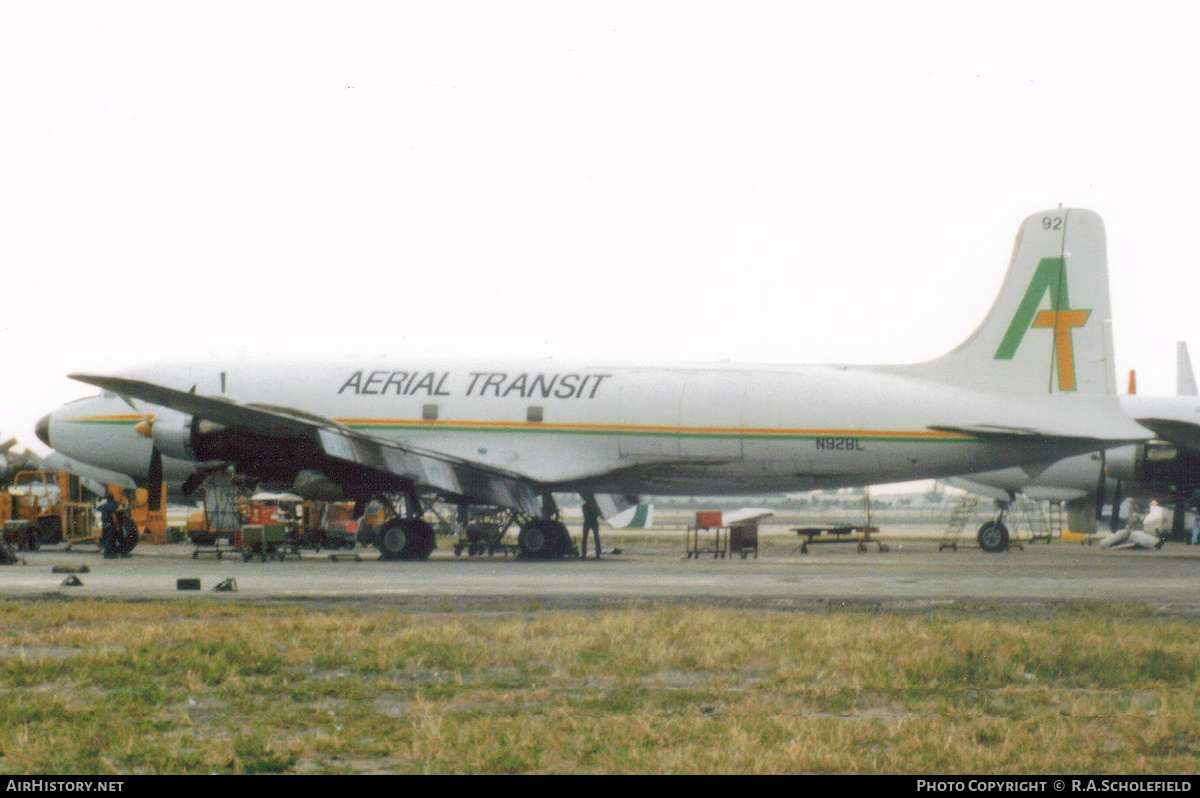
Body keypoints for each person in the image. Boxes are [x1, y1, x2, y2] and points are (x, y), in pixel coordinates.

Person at [97, 491, 120, 559]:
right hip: (110, 525)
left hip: (104, 525)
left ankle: (107, 554)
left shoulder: (103, 506)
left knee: (106, 539)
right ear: (113, 499)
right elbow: (113, 516)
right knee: (110, 540)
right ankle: (108, 555)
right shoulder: (112, 506)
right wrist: (117, 525)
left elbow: (98, 508)